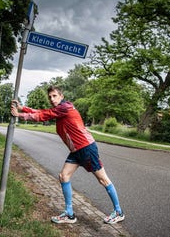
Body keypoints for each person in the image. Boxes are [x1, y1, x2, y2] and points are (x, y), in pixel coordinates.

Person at [10, 86, 125, 224]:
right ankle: (69, 214)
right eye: (50, 97)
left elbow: (42, 116)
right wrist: (23, 108)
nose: (52, 99)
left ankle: (118, 212)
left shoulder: (65, 107)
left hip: (86, 148)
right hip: (76, 151)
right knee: (64, 176)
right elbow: (44, 112)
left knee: (103, 179)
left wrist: (20, 115)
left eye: (54, 96)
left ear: (61, 96)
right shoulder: (59, 110)